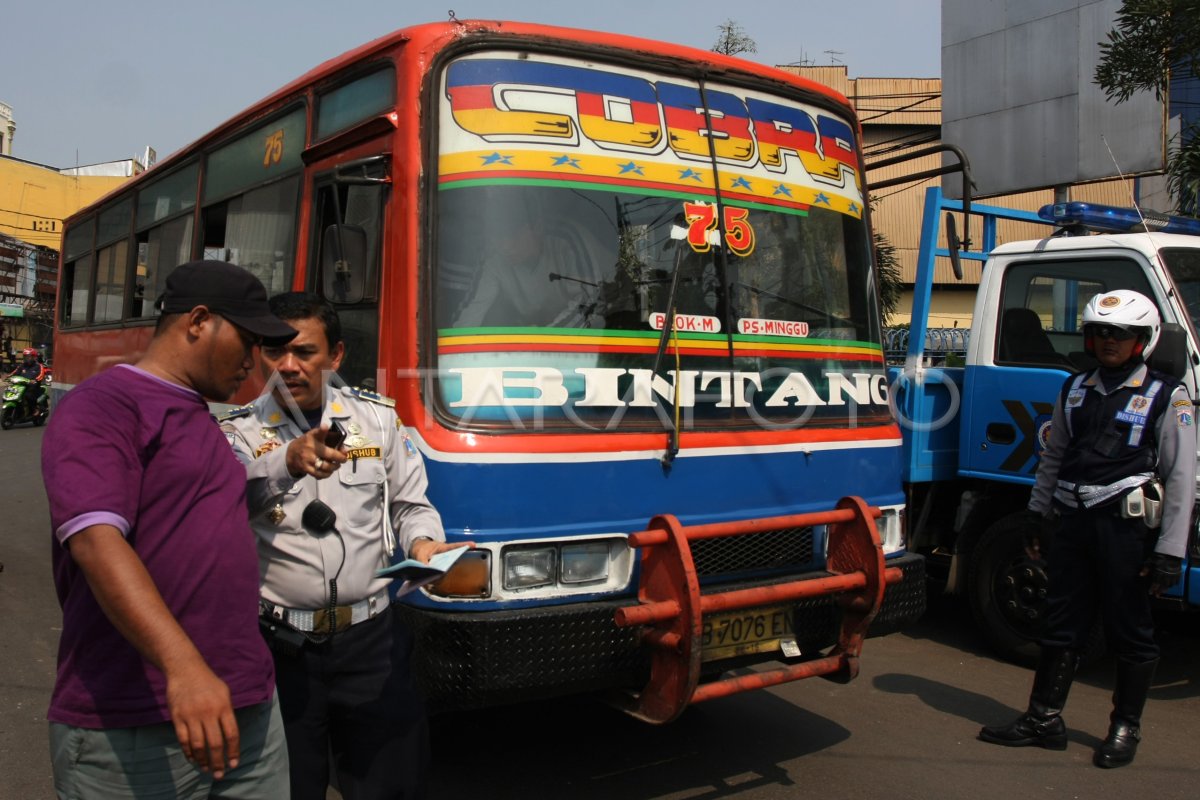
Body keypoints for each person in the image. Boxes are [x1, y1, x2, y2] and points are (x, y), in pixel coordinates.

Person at [40, 260, 298, 798]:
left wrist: (288, 465)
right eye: (247, 342)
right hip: (135, 724)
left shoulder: (198, 416)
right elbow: (94, 540)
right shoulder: (104, 406)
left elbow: (208, 514)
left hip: (246, 708)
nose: (255, 364)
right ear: (198, 321)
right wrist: (184, 669)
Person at [220, 292, 456, 800]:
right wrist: (286, 461)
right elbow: (225, 506)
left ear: (337, 356)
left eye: (304, 352)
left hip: (372, 644)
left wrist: (426, 544)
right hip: (279, 651)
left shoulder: (379, 421)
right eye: (274, 351)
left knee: (392, 785)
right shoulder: (237, 434)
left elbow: (410, 504)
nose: (287, 366)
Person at [978, 289, 1196, 769]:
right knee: (1059, 625)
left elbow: (1181, 477)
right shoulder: (1075, 388)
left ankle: (1125, 727)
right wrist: (1038, 513)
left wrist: (1171, 551)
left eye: (1120, 334)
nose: (1108, 342)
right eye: (1099, 332)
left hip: (1126, 531)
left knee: (1130, 631)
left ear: (1144, 340)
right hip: (1072, 524)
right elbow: (1053, 457)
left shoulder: (1166, 395)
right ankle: (1043, 719)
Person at [8, 347, 50, 416]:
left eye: (28, 357)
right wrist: (8, 377)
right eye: (25, 357)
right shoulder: (22, 365)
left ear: (34, 357)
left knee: (28, 395)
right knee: (11, 392)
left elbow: (41, 375)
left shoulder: (39, 366)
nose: (27, 358)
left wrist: (35, 380)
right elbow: (15, 372)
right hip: (21, 385)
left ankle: (35, 409)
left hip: (34, 387)